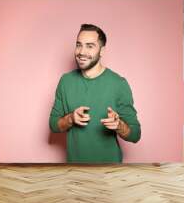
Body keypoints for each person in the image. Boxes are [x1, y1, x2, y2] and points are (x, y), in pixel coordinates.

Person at [49, 23, 141, 163]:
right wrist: (71, 119)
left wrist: (119, 125)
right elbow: (53, 125)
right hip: (75, 170)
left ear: (102, 51)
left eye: (90, 46)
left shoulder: (119, 84)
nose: (81, 51)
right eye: (79, 45)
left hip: (109, 171)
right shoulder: (65, 81)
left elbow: (135, 134)